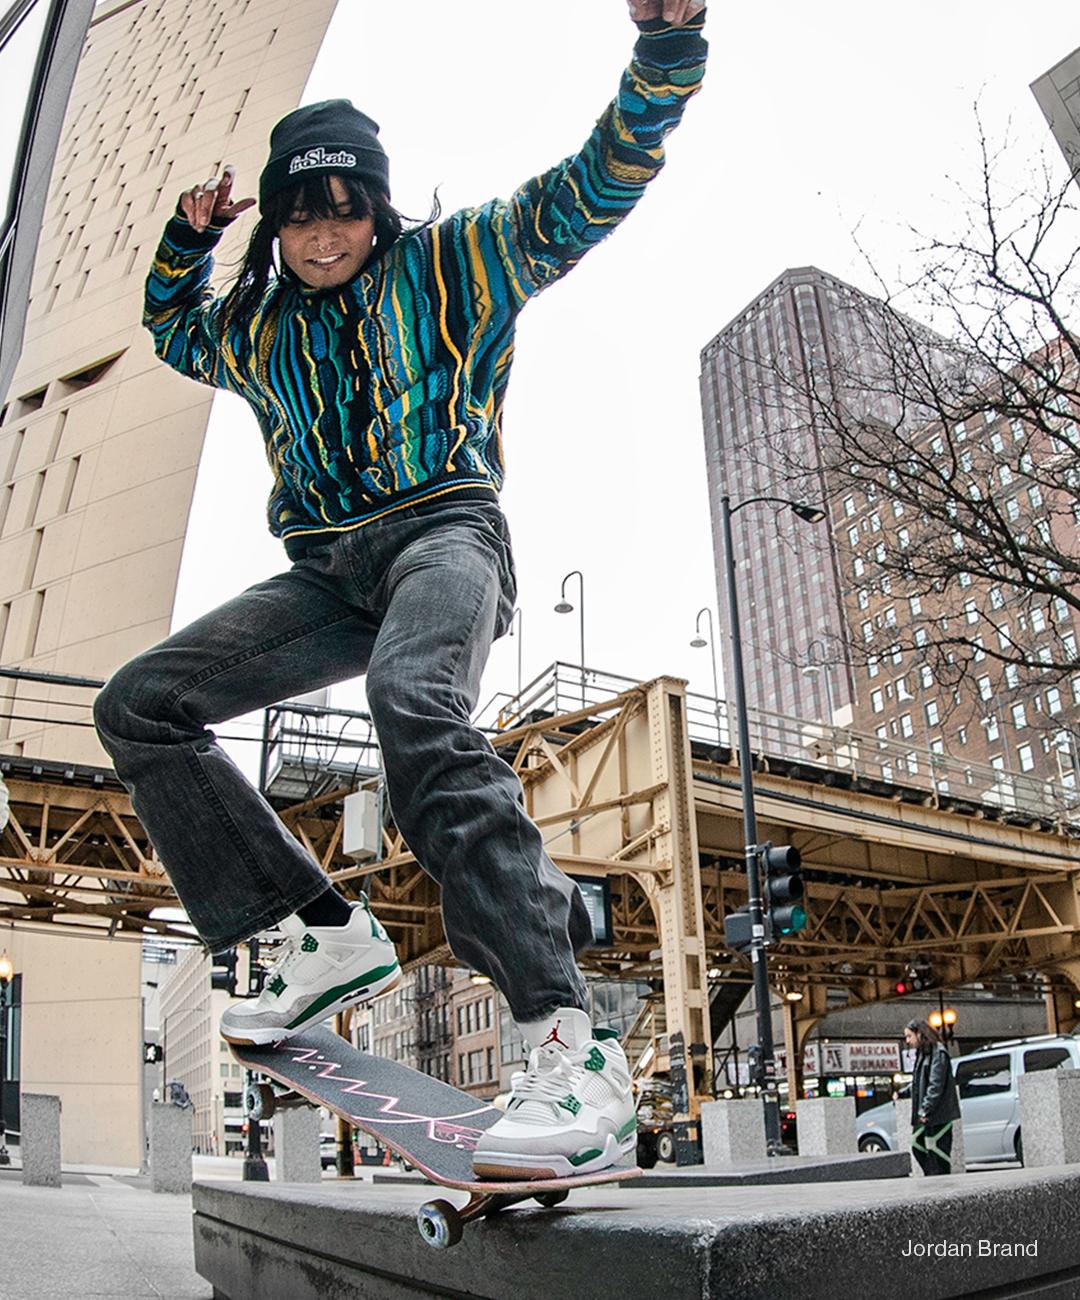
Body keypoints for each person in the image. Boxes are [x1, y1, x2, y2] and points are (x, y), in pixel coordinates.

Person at [93, 0, 708, 1180]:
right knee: (139, 705)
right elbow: (170, 326)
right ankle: (316, 929)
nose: (326, 243)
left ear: (379, 208)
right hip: (326, 570)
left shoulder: (459, 259)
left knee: (412, 702)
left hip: (446, 532)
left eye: (347, 213)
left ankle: (567, 1038)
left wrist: (665, 49)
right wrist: (187, 239)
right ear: (275, 228)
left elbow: (594, 185)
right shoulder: (257, 329)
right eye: (302, 222)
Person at [904, 1018, 961, 1176]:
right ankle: (933, 1178)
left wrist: (925, 1109)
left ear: (919, 1033)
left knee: (937, 1153)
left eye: (909, 1036)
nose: (907, 1041)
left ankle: (939, 1182)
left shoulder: (938, 1052)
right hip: (928, 1113)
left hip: (938, 1113)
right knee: (918, 1145)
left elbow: (936, 1084)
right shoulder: (924, 1054)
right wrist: (903, 1093)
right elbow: (918, 1082)